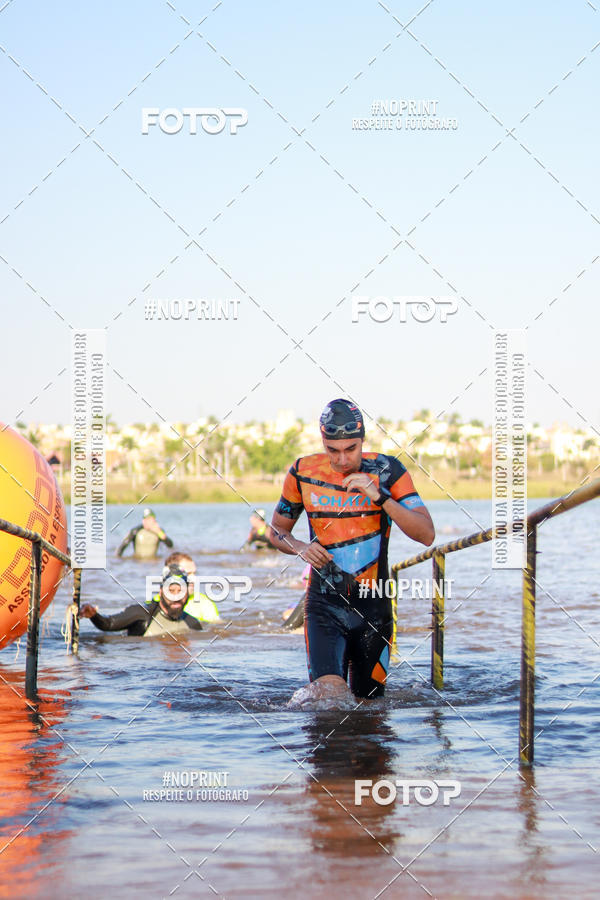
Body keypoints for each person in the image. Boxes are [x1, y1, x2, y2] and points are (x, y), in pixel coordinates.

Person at [269, 398, 435, 699]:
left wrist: (381, 497)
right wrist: (299, 548)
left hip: (375, 607)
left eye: (351, 450)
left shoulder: (387, 470)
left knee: (371, 710)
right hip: (324, 605)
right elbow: (277, 531)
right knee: (328, 698)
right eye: (333, 450)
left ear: (362, 441)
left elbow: (426, 534)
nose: (342, 460)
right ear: (323, 441)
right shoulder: (302, 473)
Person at [79, 565, 203, 637]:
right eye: (171, 590)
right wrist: (94, 615)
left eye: (180, 591)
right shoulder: (142, 614)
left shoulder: (192, 623)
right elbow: (108, 624)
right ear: (161, 592)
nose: (176, 596)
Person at [163, 551, 221, 623]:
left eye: (194, 573)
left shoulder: (205, 603)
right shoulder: (156, 603)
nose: (194, 579)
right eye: (188, 574)